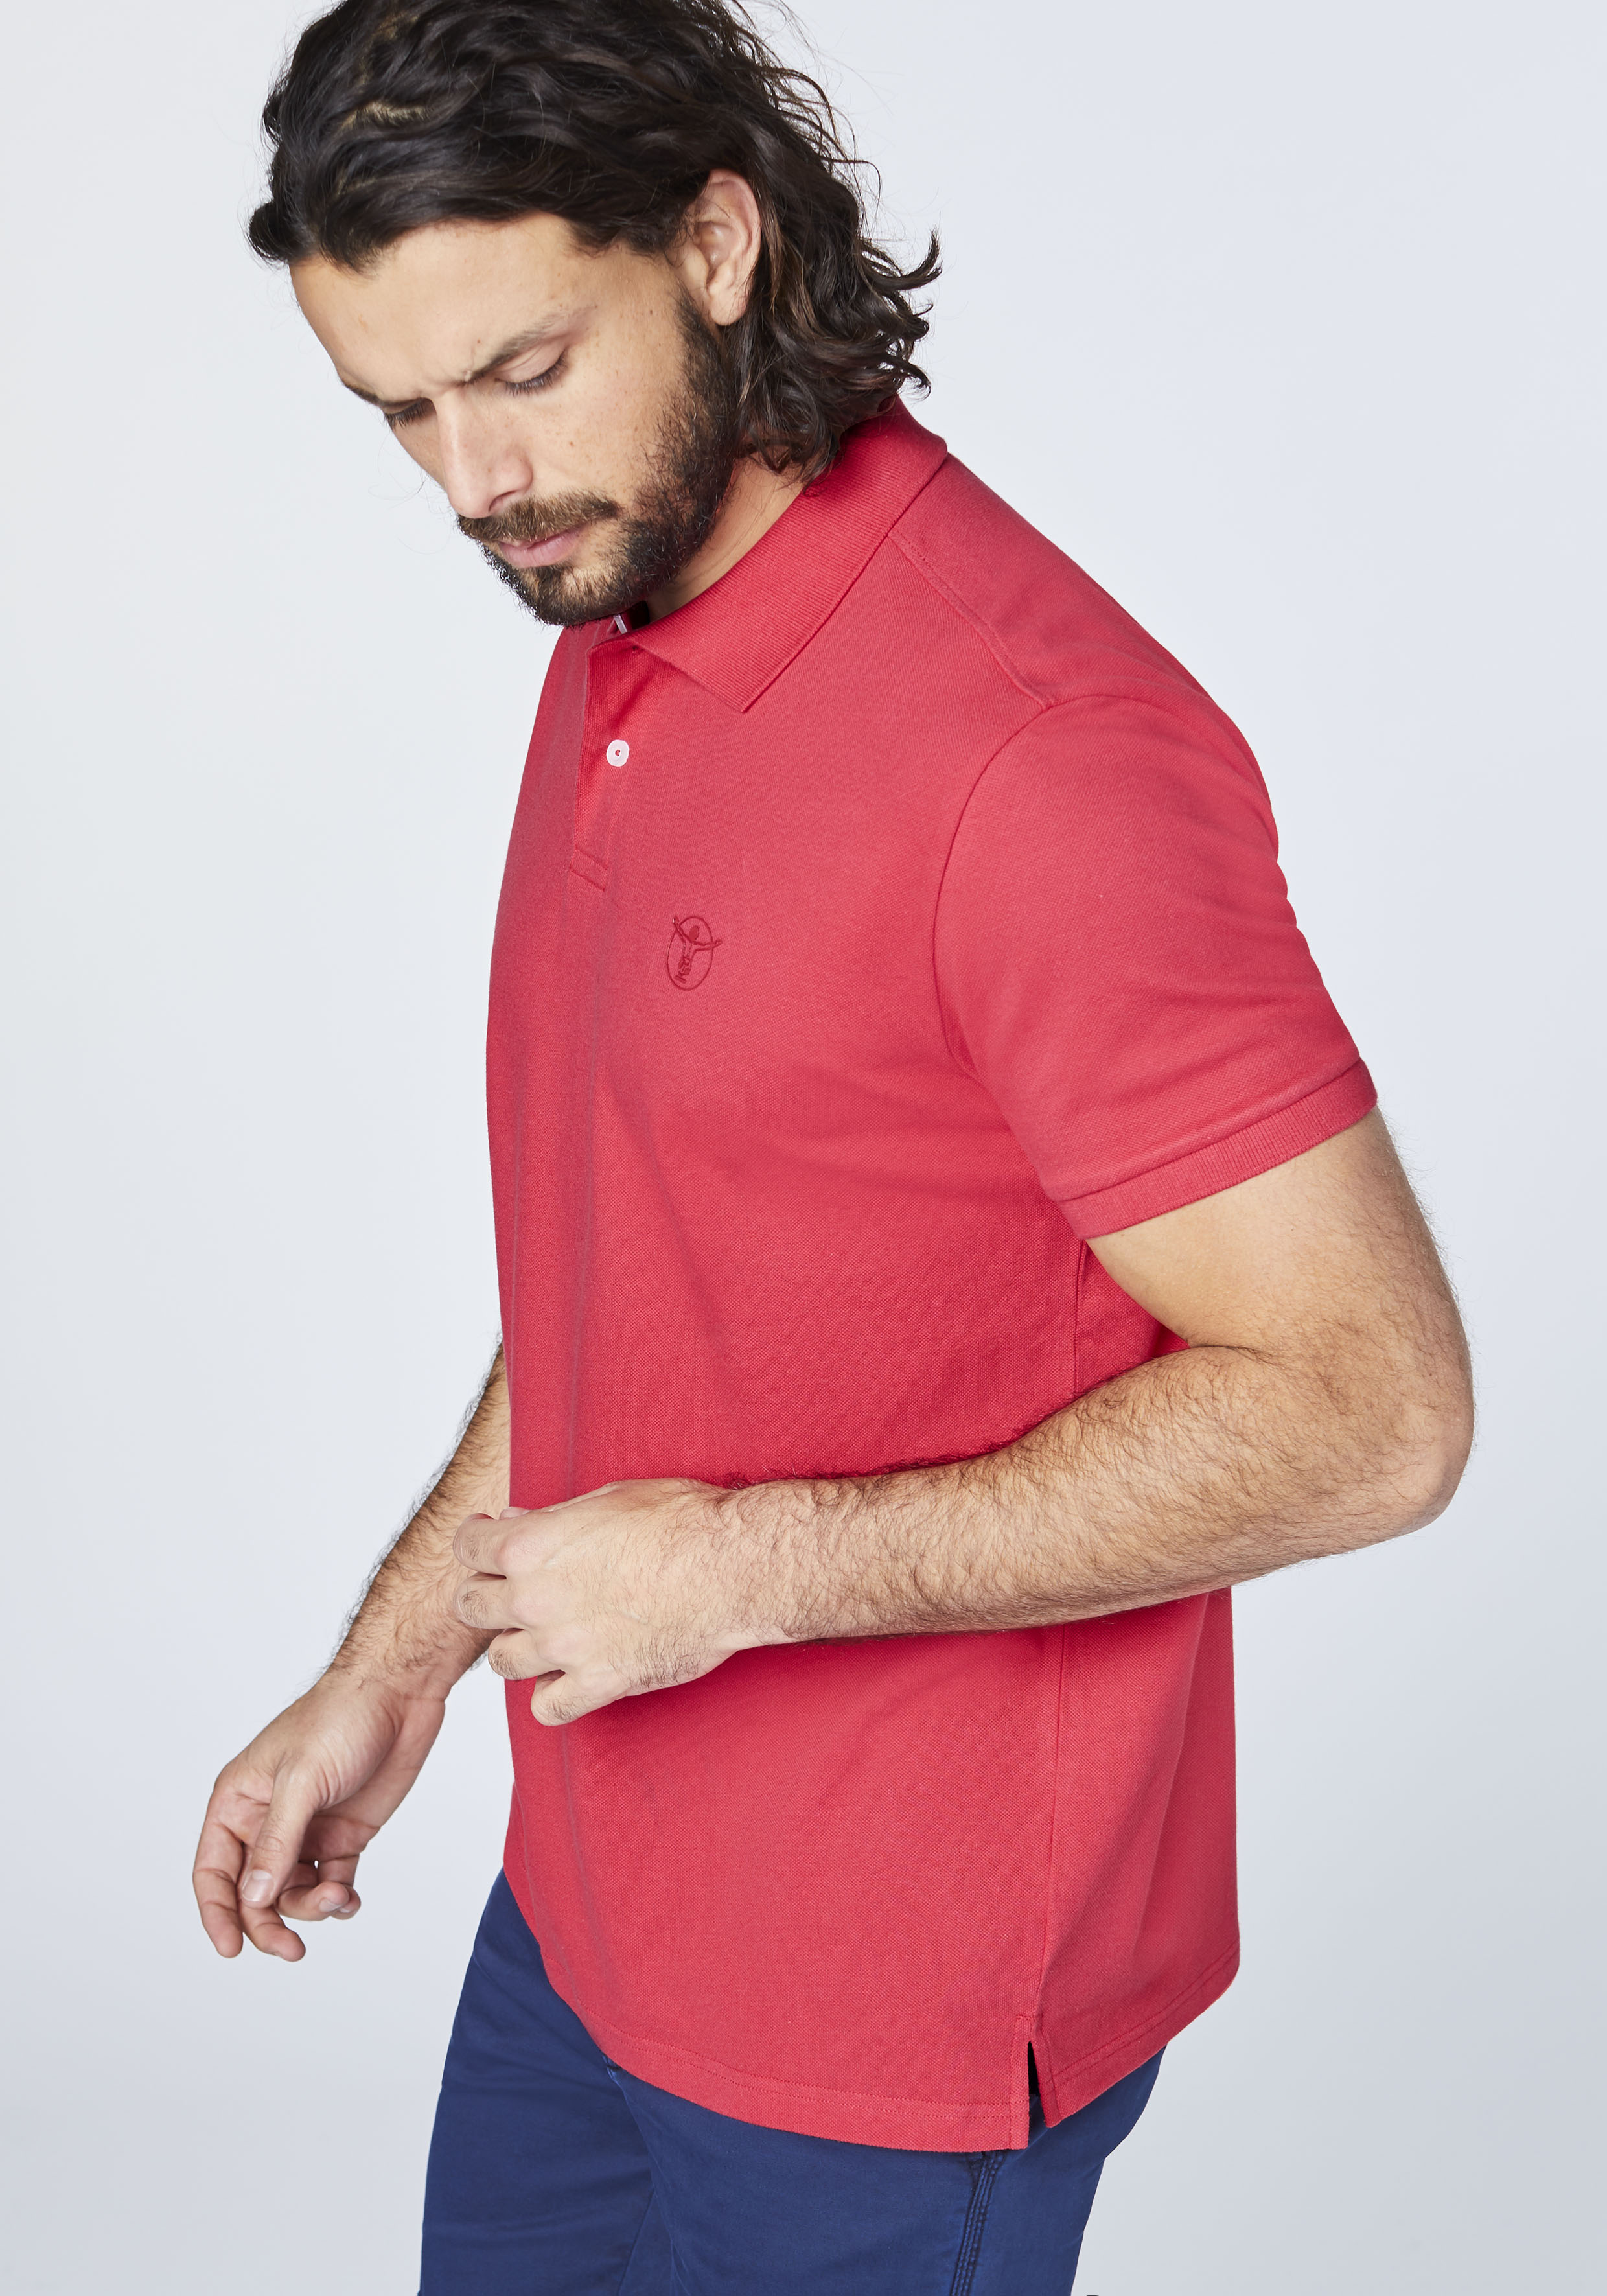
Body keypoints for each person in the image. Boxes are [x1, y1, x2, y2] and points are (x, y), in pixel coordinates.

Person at [192, 3, 1474, 2288]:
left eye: (523, 371)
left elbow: (1374, 1414)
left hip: (892, 2024)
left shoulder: (1040, 758)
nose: (477, 483)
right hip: (584, 1919)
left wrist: (736, 1573)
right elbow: (663, 1261)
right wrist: (400, 1659)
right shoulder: (624, 611)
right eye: (401, 410)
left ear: (714, 241)